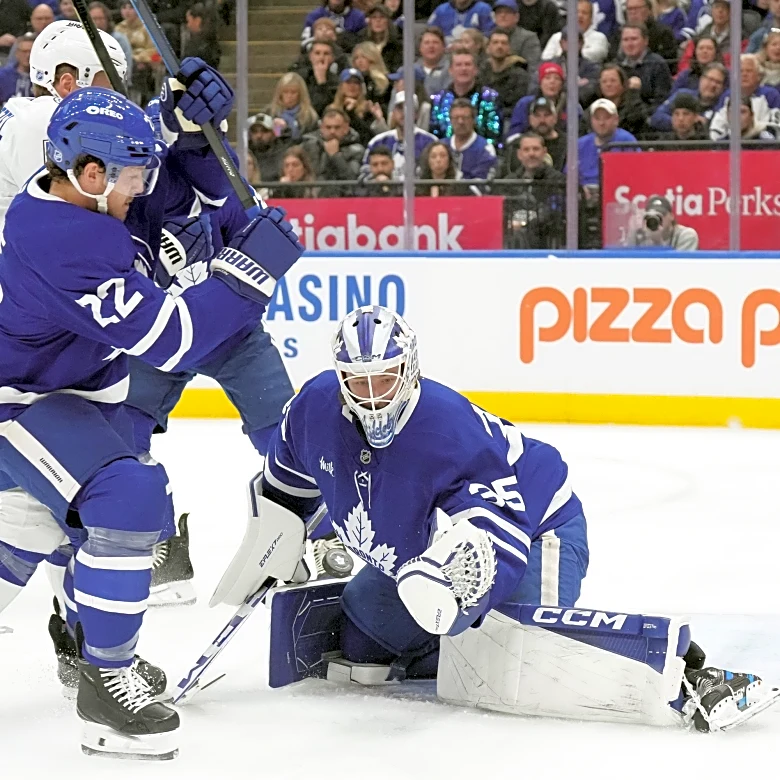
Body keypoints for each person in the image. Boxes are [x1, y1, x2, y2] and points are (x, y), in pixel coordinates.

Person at [220, 305, 775, 735]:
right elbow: (287, 483)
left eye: (383, 379)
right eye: (357, 381)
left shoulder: (450, 431)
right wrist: (278, 540)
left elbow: (496, 542)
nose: (370, 398)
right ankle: (445, 644)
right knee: (363, 623)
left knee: (511, 656)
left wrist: (453, 592)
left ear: (409, 370)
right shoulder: (313, 407)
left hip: (534, 527)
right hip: (427, 554)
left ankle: (688, 677)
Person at [0, 86, 303, 759]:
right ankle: (105, 680)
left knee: (32, 539)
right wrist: (249, 273)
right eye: (131, 175)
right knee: (128, 496)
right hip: (20, 403)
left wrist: (183, 124)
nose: (142, 186)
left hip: (72, 398)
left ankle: (89, 651)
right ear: (89, 173)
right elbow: (171, 338)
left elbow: (167, 192)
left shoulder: (86, 196)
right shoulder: (60, 239)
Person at [500, 131, 565, 248]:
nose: (531, 154)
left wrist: (527, 224)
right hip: (512, 237)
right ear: (519, 154)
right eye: (526, 150)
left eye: (536, 149)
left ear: (544, 152)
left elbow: (555, 212)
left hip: (544, 239)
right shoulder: (509, 182)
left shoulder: (557, 180)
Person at [429, 47, 502, 145]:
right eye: (458, 65)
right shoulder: (438, 99)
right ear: (450, 70)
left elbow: (494, 136)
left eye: (468, 64)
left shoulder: (490, 97)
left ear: (475, 69)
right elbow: (434, 136)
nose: (463, 69)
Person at [363, 91, 437, 179]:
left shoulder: (430, 142)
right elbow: (365, 173)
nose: (404, 112)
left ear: (416, 114)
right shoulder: (377, 142)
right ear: (393, 113)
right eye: (400, 108)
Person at [649, 61, 727, 131]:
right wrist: (685, 122)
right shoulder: (683, 95)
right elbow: (656, 117)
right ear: (701, 79)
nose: (713, 85)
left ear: (723, 87)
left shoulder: (725, 104)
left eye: (718, 82)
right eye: (710, 79)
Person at [615, 23, 673, 110]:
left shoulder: (657, 64)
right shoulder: (616, 65)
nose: (629, 44)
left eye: (634, 39)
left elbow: (661, 100)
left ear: (646, 41)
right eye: (625, 40)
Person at [301, 105, 365, 185]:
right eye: (328, 127)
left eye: (337, 127)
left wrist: (336, 156)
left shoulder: (357, 150)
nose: (332, 131)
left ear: (346, 128)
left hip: (342, 195)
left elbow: (352, 180)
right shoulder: (309, 145)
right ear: (321, 128)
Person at [479, 27, 529, 119]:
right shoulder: (480, 73)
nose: (499, 46)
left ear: (509, 48)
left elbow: (517, 106)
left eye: (503, 43)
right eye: (495, 42)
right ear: (488, 48)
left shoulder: (520, 75)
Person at [542, 0, 609, 62]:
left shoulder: (599, 37)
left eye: (584, 13)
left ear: (591, 18)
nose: (580, 16)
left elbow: (595, 55)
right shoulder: (556, 37)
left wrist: (561, 54)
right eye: (576, 12)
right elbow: (546, 58)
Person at [446, 97, 497, 179]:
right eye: (456, 118)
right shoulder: (441, 146)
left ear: (474, 120)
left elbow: (481, 186)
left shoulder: (485, 149)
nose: (460, 122)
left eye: (465, 118)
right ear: (450, 120)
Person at [627, 194, 699, 248]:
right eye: (652, 216)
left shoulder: (685, 235)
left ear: (671, 216)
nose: (658, 219)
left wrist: (657, 242)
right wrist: (632, 232)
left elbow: (679, 266)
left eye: (662, 214)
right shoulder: (639, 235)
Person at [87, 1, 133, 85]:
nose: (97, 22)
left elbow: (126, 70)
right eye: (94, 19)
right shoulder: (82, 40)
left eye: (101, 18)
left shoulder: (119, 39)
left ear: (107, 19)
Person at [266, 71, 321, 140]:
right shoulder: (270, 112)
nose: (289, 96)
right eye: (285, 92)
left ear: (301, 94)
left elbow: (313, 140)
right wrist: (278, 130)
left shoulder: (310, 116)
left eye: (293, 92)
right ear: (280, 93)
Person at [492, 0, 542, 72]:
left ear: (516, 17)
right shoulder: (488, 37)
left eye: (507, 12)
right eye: (499, 12)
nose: (502, 15)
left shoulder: (528, 38)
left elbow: (533, 68)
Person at [302, 0, 366, 52]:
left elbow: (362, 46)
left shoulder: (358, 17)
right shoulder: (314, 16)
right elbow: (304, 46)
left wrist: (338, 37)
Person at [356, 4, 402, 73]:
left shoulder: (396, 44)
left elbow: (396, 68)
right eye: (374, 17)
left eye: (382, 17)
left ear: (388, 21)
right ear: (370, 21)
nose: (378, 20)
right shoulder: (361, 41)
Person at [426, 0, 495, 45]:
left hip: (474, 55)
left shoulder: (484, 9)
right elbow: (430, 33)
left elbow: (490, 35)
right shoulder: (441, 10)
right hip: (445, 54)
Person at [416, 26, 451, 96]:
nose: (431, 46)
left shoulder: (452, 69)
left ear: (443, 47)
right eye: (426, 43)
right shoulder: (409, 70)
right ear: (420, 48)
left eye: (435, 42)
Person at [0, 31, 33, 105]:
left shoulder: (44, 78)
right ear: (17, 53)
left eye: (31, 52)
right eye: (24, 51)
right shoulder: (2, 76)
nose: (28, 55)